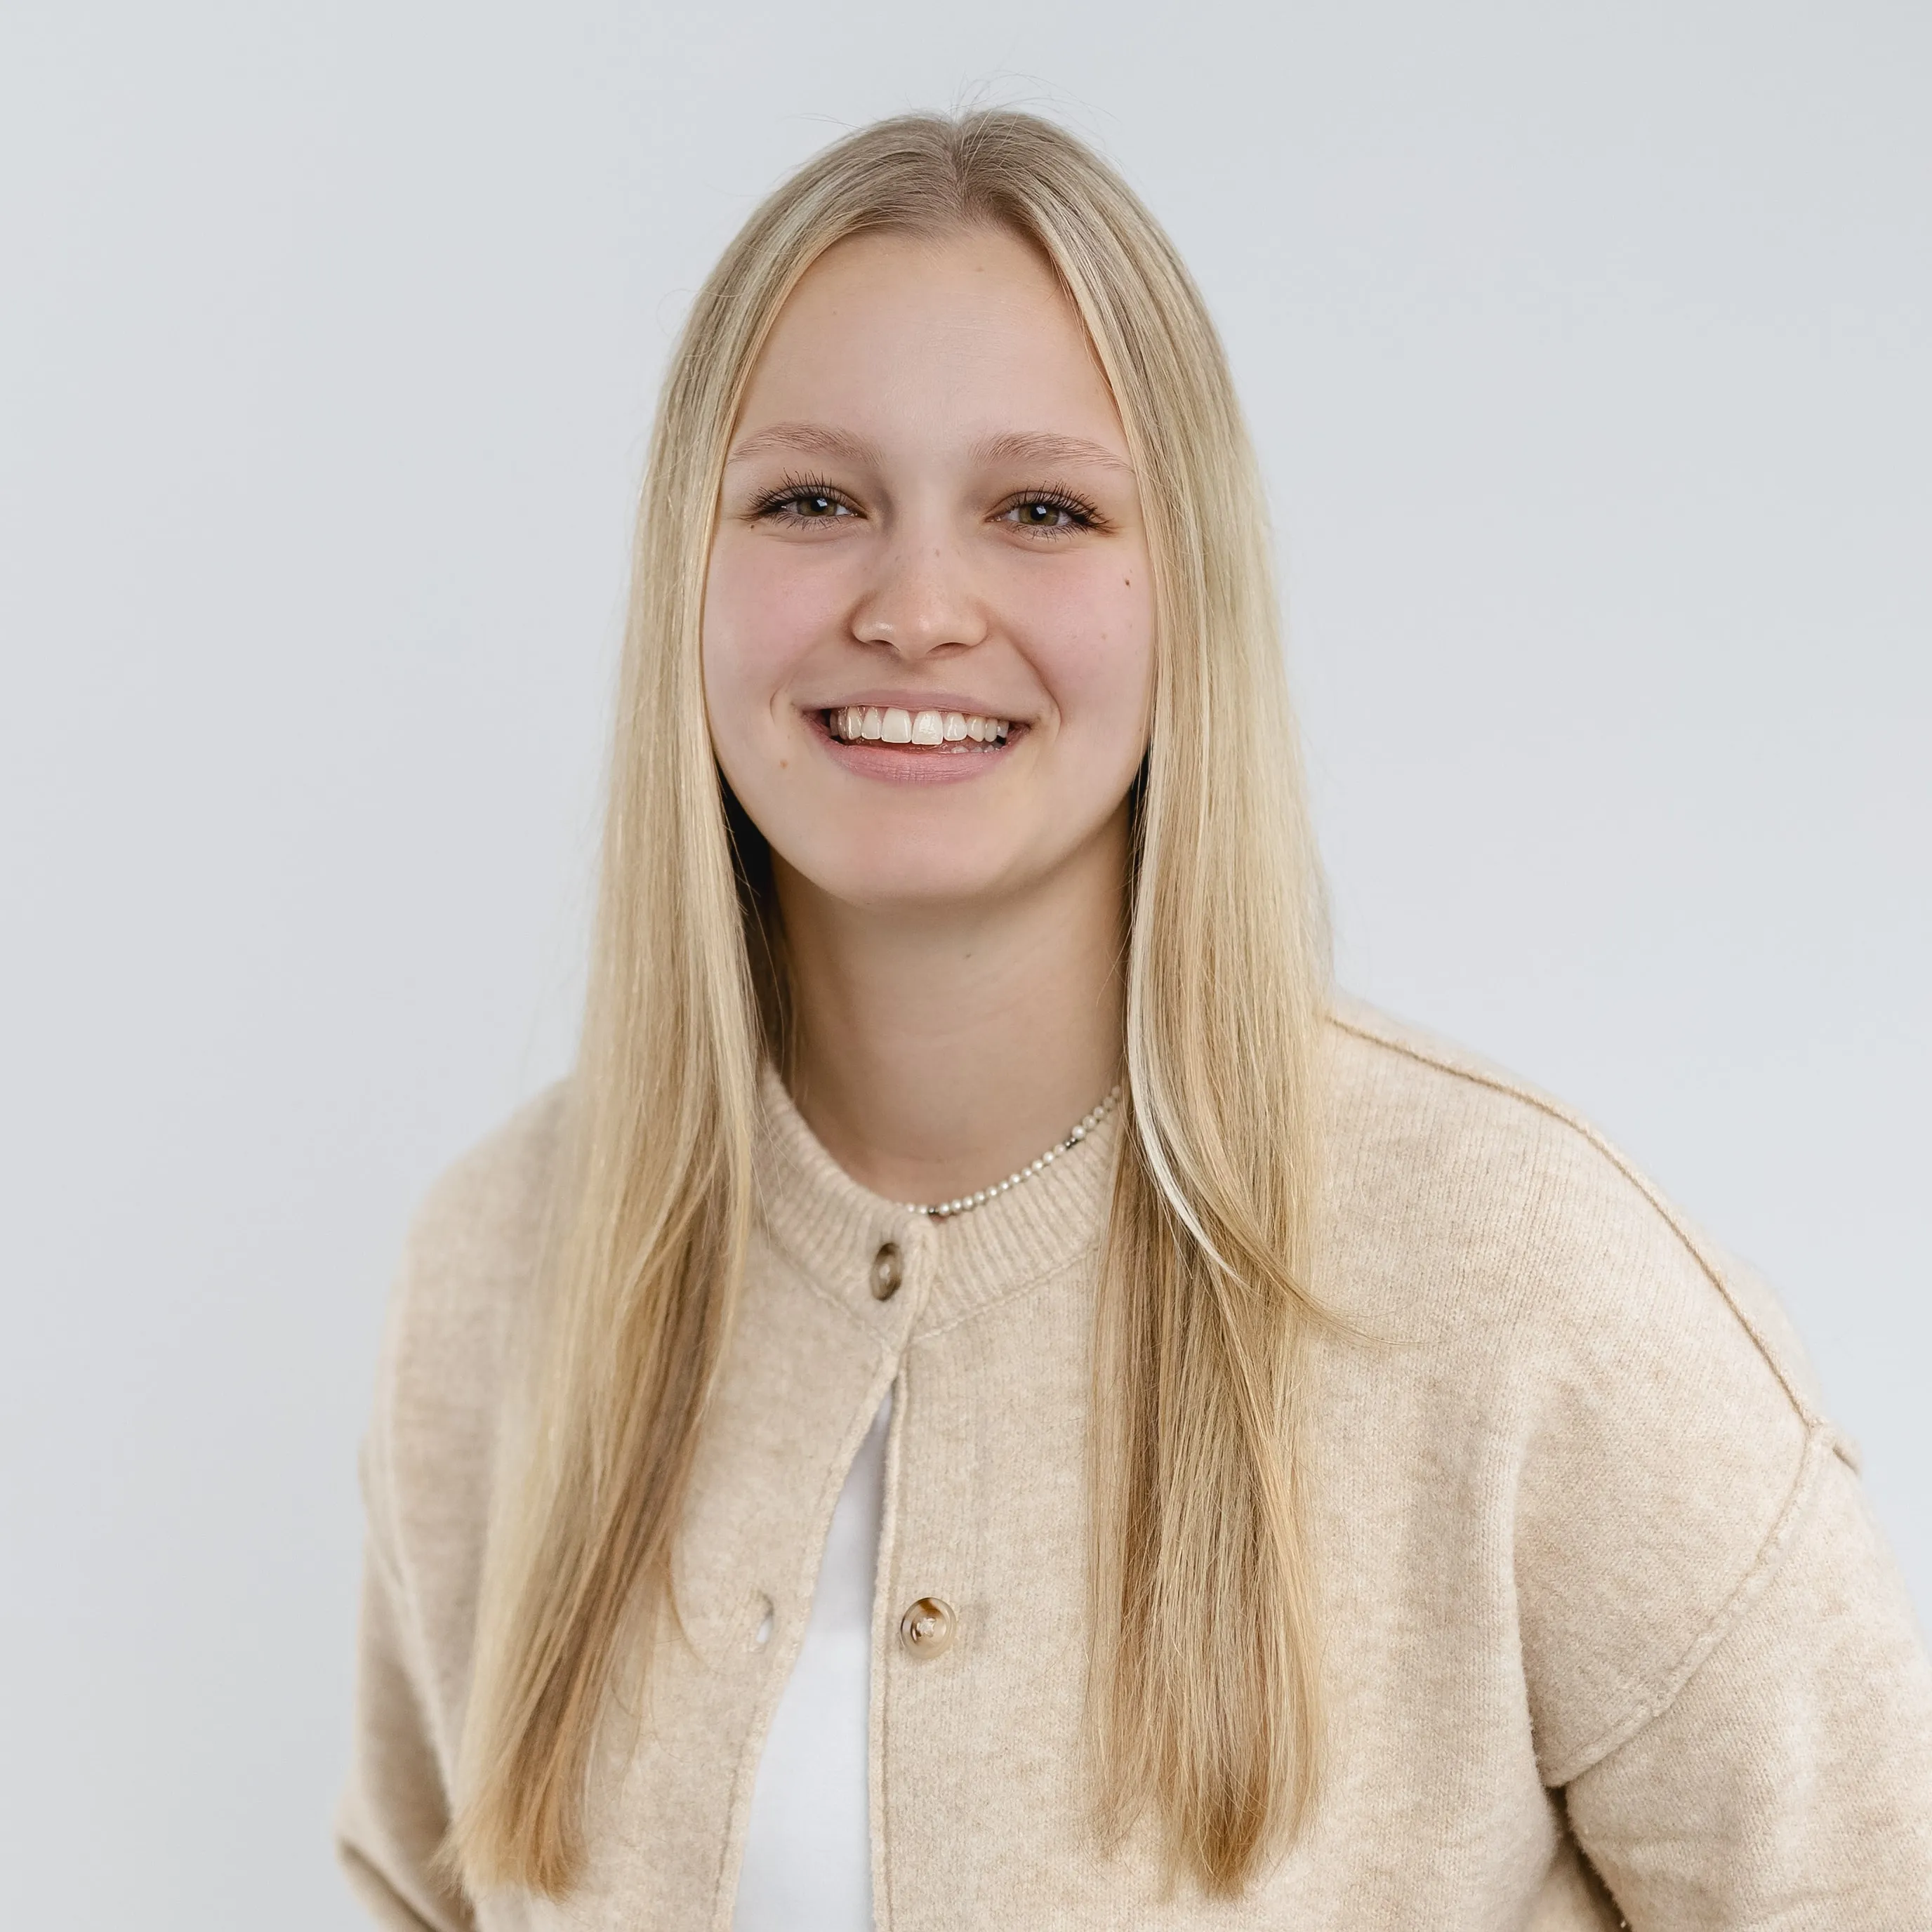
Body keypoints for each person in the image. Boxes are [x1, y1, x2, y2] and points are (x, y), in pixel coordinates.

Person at [335, 111, 1932, 1931]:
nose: (916, 608)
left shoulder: (1527, 1288)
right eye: (808, 500)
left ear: (1186, 587)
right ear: (683, 575)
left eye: (1041, 510)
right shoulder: (498, 1277)